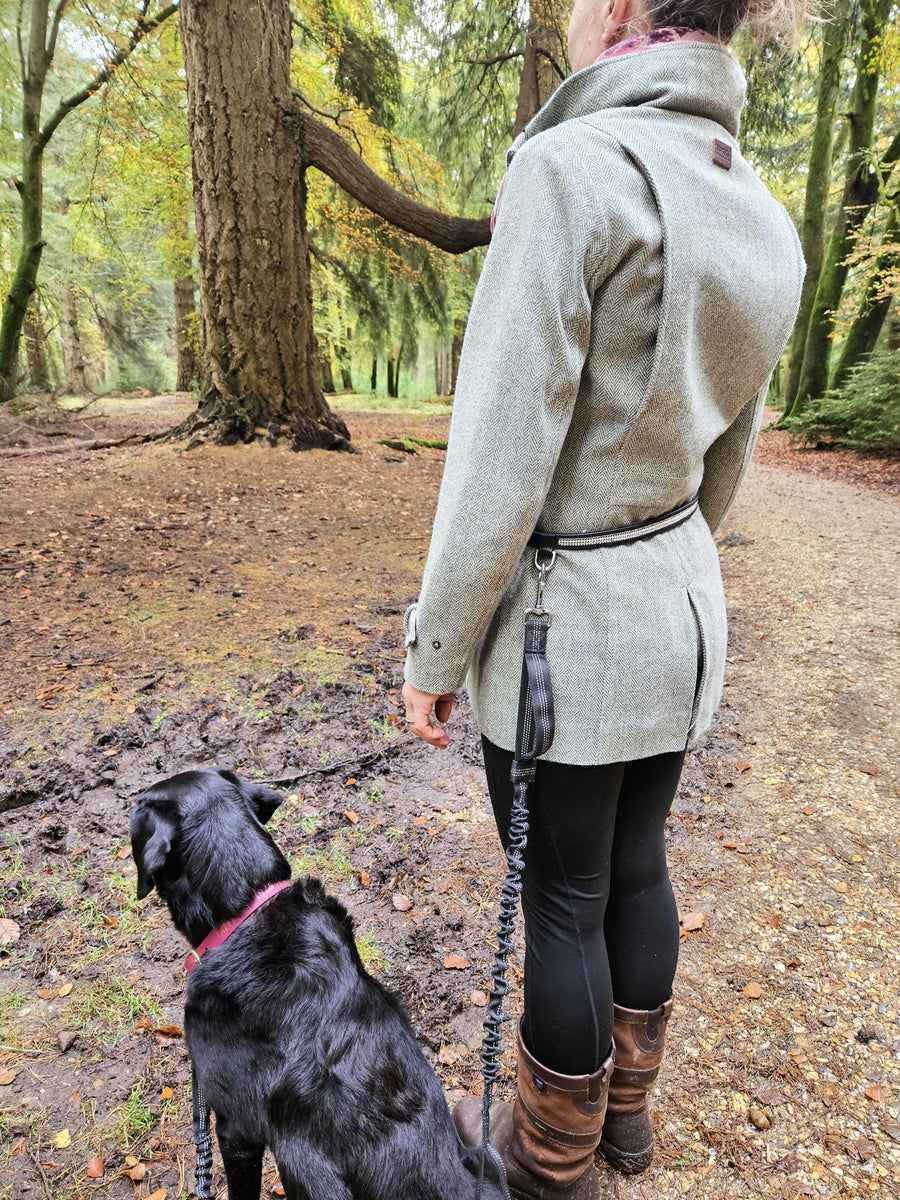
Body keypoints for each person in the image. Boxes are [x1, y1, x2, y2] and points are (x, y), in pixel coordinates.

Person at [402, 0, 806, 1197]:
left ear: (621, 8)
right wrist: (665, 570)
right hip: (681, 609)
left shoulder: (569, 169)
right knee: (636, 865)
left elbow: (498, 453)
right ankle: (625, 1125)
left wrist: (435, 647)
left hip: (564, 630)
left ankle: (550, 1160)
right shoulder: (761, 213)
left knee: (565, 894)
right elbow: (726, 459)